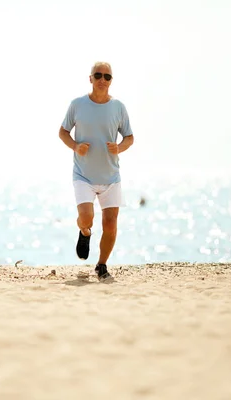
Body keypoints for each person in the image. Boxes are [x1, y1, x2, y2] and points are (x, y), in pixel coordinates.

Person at [58, 61, 134, 281]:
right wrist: (75, 146)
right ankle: (84, 232)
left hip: (111, 177)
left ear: (111, 81)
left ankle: (101, 265)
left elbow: (130, 137)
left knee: (110, 224)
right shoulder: (77, 105)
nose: (102, 80)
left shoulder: (118, 107)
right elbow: (62, 131)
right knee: (86, 217)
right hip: (83, 175)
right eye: (98, 75)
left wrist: (119, 147)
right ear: (90, 79)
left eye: (107, 77)